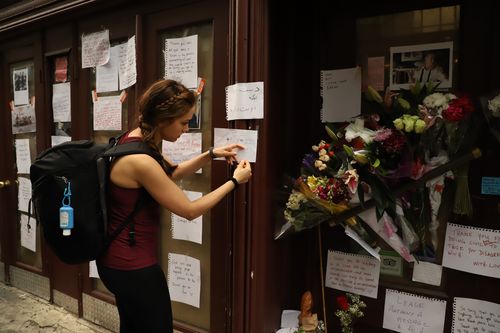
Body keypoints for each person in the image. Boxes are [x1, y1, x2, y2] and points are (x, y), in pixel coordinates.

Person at [96, 79, 252, 333]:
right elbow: (189, 211)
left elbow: (170, 173)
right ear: (162, 120)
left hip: (116, 262)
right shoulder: (141, 160)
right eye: (183, 122)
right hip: (133, 267)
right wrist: (235, 182)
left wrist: (210, 154)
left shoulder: (134, 139)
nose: (187, 129)